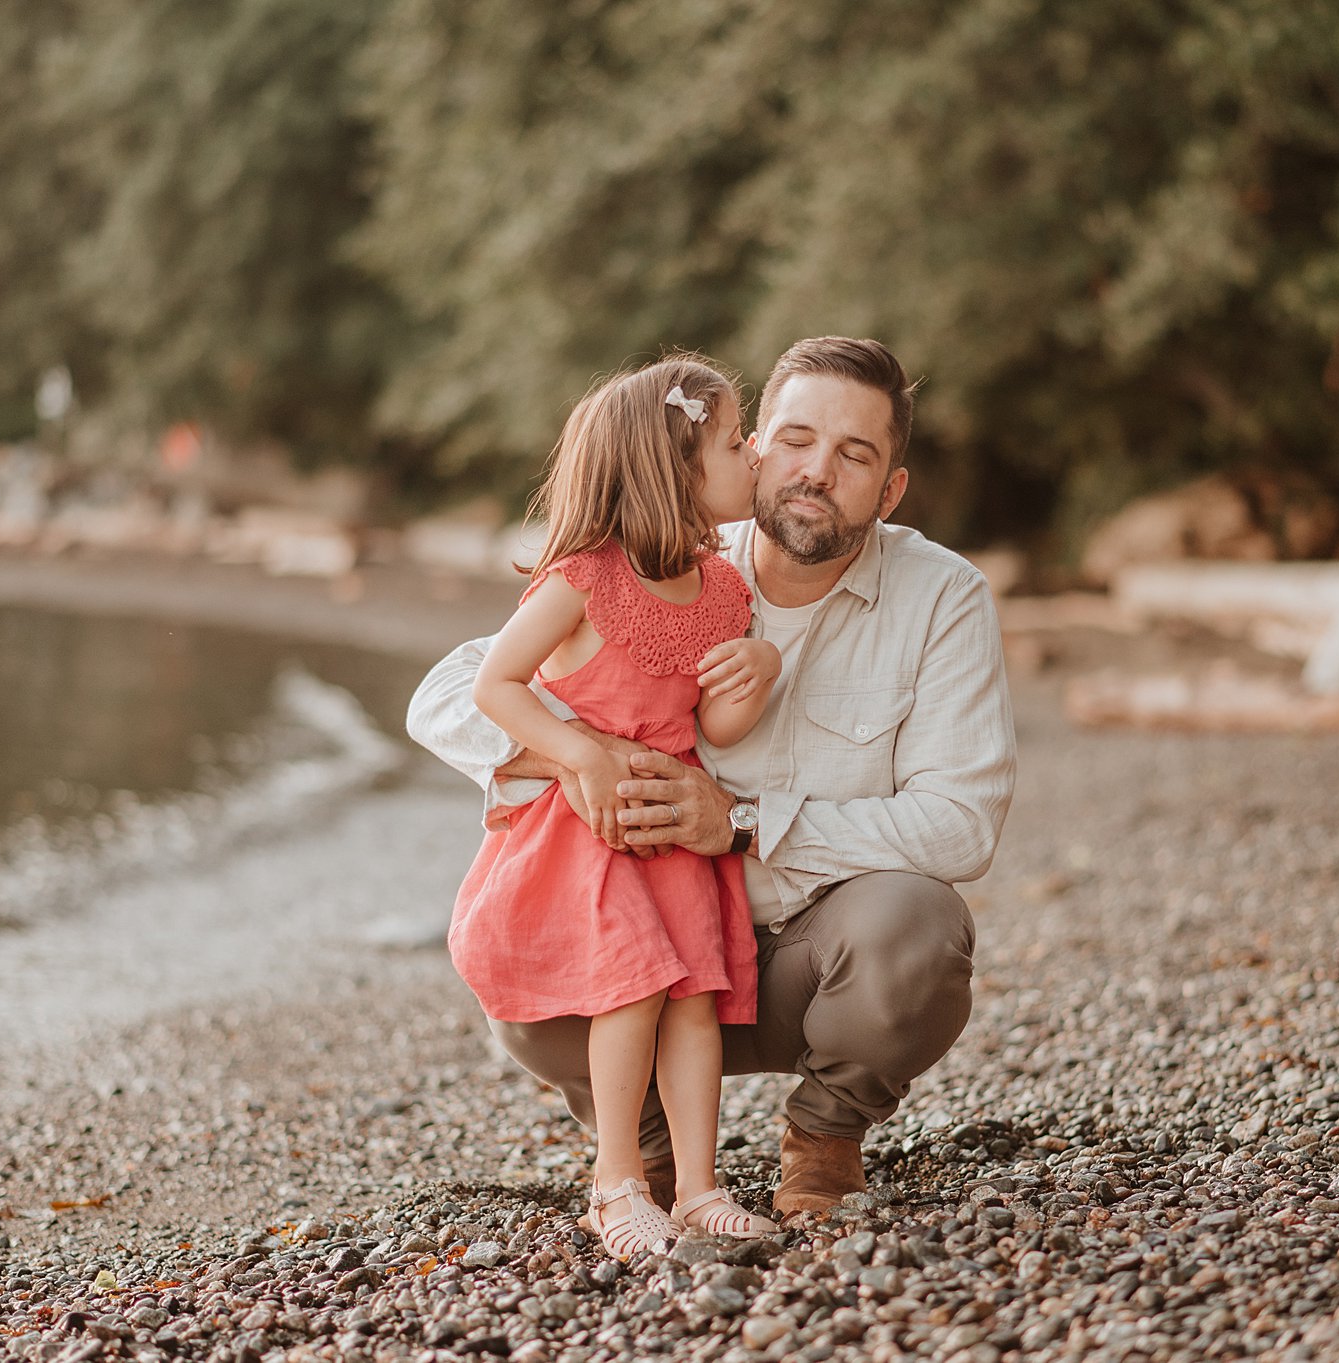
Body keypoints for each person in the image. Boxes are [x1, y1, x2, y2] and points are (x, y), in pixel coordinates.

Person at [410, 336, 1016, 1220]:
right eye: (795, 440)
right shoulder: (665, 553)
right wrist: (586, 752)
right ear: (755, 445)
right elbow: (446, 695)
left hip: (814, 957)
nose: (816, 471)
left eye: (855, 455)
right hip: (648, 940)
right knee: (529, 989)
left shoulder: (942, 598)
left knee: (918, 928)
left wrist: (735, 819)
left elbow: (961, 824)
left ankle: (823, 1137)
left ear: (890, 489)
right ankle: (645, 1150)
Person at [450, 354, 783, 1257]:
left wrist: (757, 675)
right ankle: (615, 1183)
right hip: (592, 831)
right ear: (674, 470)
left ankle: (702, 1187)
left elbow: (711, 720)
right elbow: (496, 683)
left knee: (692, 1003)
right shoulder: (584, 577)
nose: (751, 450)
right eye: (731, 438)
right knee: (632, 990)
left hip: (673, 831)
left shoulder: (724, 590)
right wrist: (577, 754)